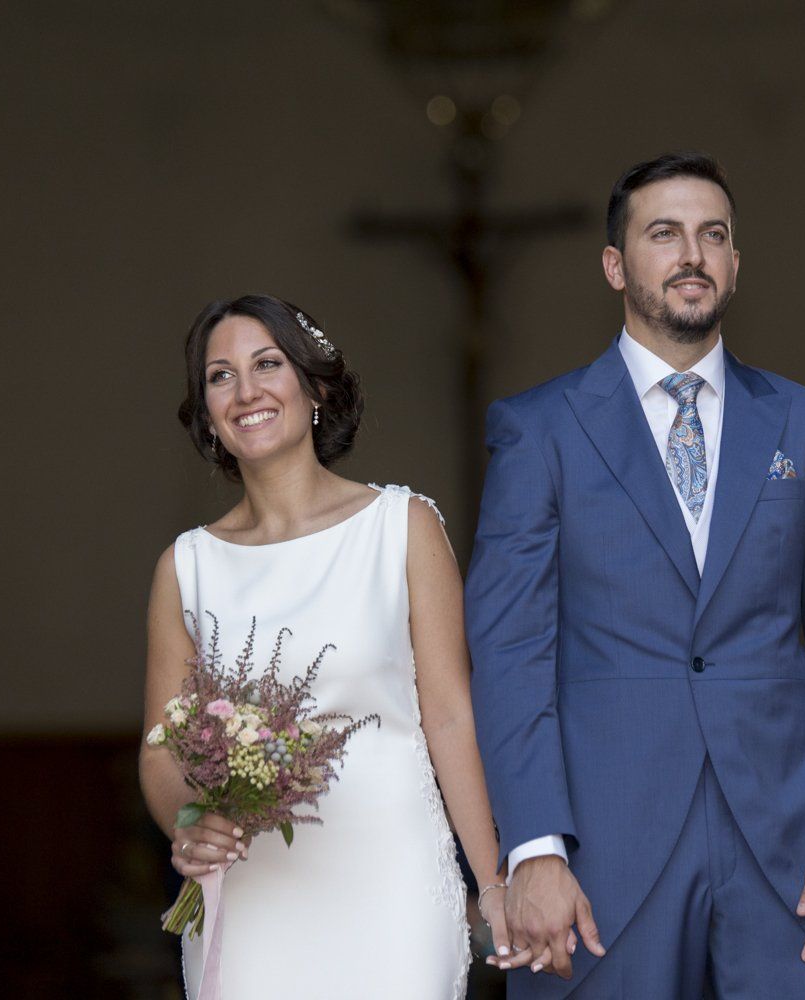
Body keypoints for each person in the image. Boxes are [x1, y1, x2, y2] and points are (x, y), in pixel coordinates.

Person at [466, 152, 805, 998]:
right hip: (599, 856)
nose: (692, 254)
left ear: (735, 264)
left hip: (792, 857)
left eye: (713, 235)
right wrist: (534, 847)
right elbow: (509, 655)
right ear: (615, 265)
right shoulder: (538, 431)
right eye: (664, 234)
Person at [138, 294, 508, 999]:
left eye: (267, 364)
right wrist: (189, 824)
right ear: (208, 414)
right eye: (220, 376)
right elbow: (162, 749)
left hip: (395, 892)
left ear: (314, 387)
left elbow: (451, 716)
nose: (246, 391)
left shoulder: (403, 527)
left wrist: (492, 883)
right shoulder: (186, 567)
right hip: (252, 904)